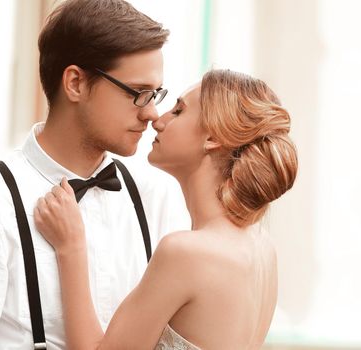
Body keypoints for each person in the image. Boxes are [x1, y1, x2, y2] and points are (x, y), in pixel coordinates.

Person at [0, 1, 186, 349]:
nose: (152, 113)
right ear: (75, 83)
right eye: (139, 93)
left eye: (156, 94)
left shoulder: (155, 197)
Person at [35, 69, 299, 349]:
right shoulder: (261, 246)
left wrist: (71, 246)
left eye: (178, 111)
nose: (157, 121)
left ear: (212, 138)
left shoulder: (186, 252)